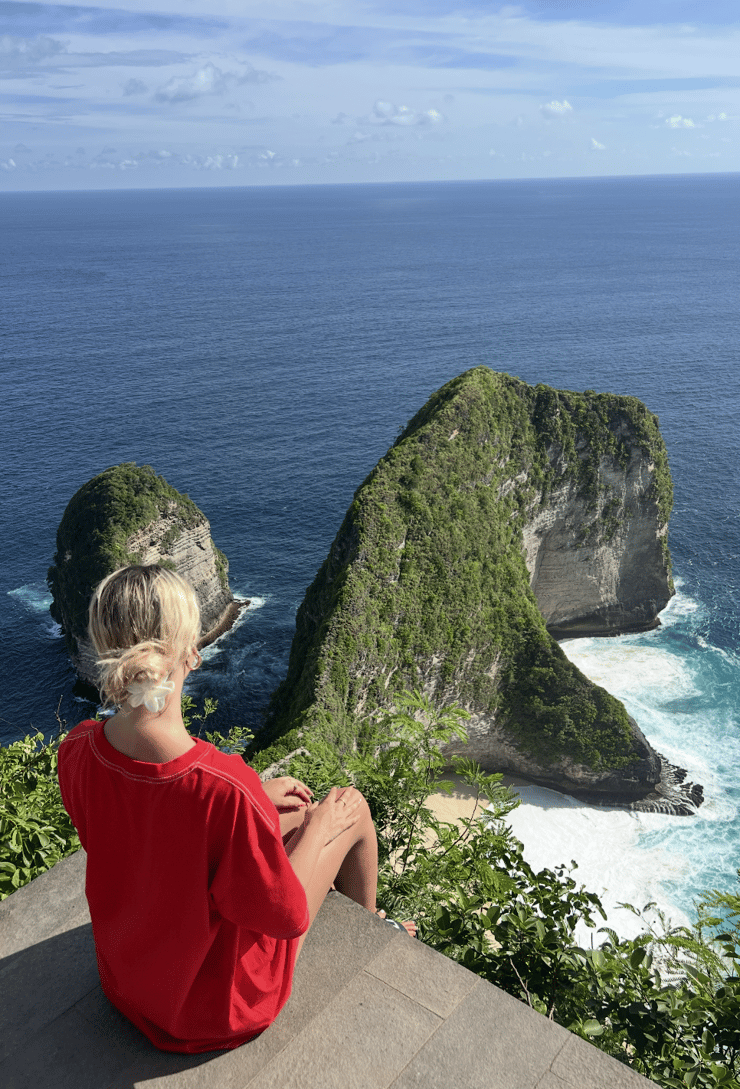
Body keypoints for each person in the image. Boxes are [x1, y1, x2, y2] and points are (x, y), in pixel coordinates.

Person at [57, 564, 414, 1054]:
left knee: (289, 816)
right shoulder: (223, 787)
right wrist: (319, 826)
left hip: (127, 984)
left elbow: (146, 825)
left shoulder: (78, 750)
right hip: (212, 1011)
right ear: (190, 655)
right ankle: (374, 929)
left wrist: (256, 799)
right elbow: (287, 916)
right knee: (349, 809)